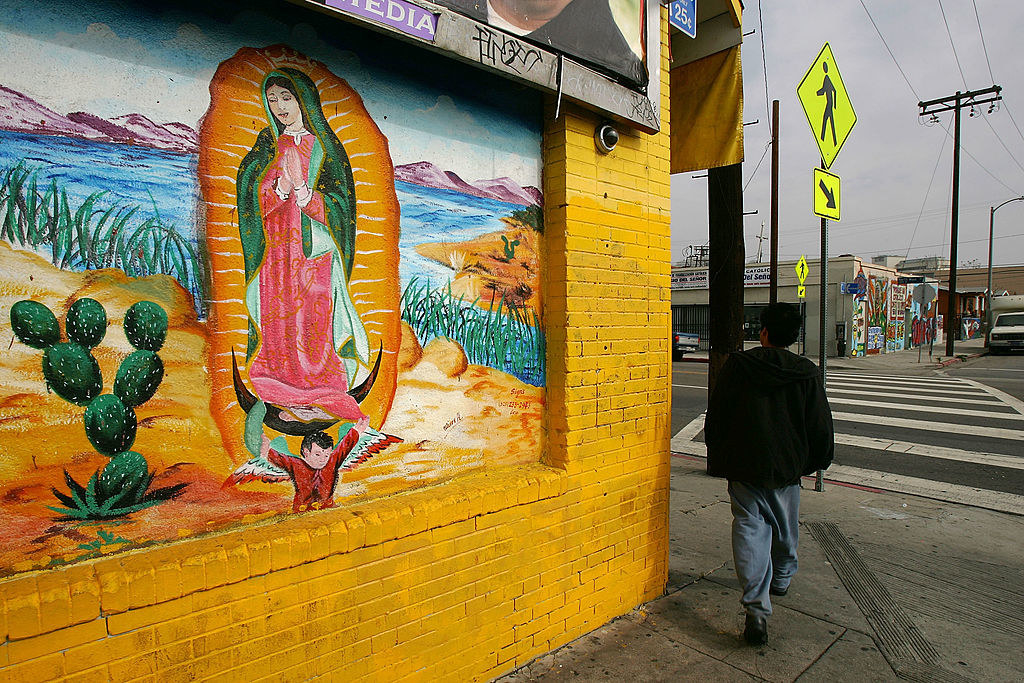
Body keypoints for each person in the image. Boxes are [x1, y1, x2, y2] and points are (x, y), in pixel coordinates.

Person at [235, 68, 370, 428]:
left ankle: (319, 383)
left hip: (313, 248)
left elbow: (343, 205)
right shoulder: (266, 144)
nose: (279, 105)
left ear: (303, 100)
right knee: (278, 313)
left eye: (286, 97)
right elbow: (248, 197)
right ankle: (278, 382)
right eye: (273, 98)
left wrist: (307, 196)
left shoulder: (326, 148)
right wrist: (276, 193)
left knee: (313, 312)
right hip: (276, 249)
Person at [704, 303, 835, 646]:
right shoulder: (806, 373)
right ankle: (782, 578)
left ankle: (756, 609)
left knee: (749, 528)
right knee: (784, 527)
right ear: (793, 337)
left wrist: (718, 455)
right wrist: (817, 460)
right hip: (788, 466)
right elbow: (819, 424)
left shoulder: (739, 366)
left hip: (746, 464)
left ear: (763, 333)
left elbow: (718, 415)